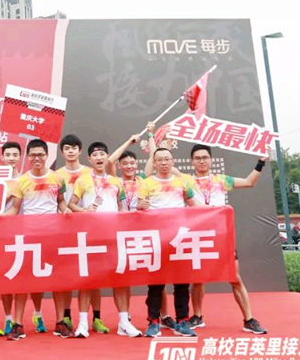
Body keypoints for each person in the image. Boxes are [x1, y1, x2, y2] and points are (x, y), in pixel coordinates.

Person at [186, 144, 268, 335]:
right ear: (192, 161)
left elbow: (249, 182)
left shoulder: (221, 180)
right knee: (197, 279)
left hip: (221, 236)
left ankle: (249, 319)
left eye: (205, 157)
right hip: (197, 235)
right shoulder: (186, 181)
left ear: (211, 160)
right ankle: (197, 316)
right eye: (197, 158)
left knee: (235, 278)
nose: (201, 161)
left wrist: (261, 163)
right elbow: (163, 164)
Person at [68, 142, 142, 338]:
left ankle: (124, 323)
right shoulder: (82, 180)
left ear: (107, 158)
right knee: (88, 280)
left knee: (120, 279)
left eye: (102, 154)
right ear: (89, 159)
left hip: (114, 237)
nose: (99, 158)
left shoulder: (116, 182)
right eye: (95, 155)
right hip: (91, 237)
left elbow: (121, 207)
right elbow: (71, 204)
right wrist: (84, 211)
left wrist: (134, 217)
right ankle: (83, 323)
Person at [0, 139, 69, 341]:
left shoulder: (58, 178)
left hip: (53, 235)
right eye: (33, 155)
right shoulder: (21, 181)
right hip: (28, 236)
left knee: (57, 280)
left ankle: (60, 322)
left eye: (40, 155)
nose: (37, 158)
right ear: (28, 157)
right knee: (23, 280)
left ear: (47, 156)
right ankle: (18, 324)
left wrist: (65, 211)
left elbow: (61, 202)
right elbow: (14, 209)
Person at [138, 147, 203, 338]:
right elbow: (140, 208)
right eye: (160, 160)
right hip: (157, 240)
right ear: (154, 163)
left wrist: (218, 210)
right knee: (156, 284)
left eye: (167, 159)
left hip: (179, 238)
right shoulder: (147, 183)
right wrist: (140, 207)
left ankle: (182, 321)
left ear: (173, 162)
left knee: (182, 283)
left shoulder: (182, 183)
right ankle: (153, 322)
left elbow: (195, 206)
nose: (164, 163)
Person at [53, 134, 107, 335]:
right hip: (64, 229)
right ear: (62, 152)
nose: (71, 151)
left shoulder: (90, 173)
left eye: (74, 148)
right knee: (66, 275)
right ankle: (65, 317)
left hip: (90, 229)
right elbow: (59, 201)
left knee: (93, 276)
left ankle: (96, 318)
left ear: (80, 151)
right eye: (67, 148)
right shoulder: (57, 175)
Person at [0, 141, 23, 335]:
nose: (11, 158)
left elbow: (17, 208)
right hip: (0, 234)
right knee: (6, 277)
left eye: (15, 155)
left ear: (20, 157)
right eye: (8, 155)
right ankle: (7, 318)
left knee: (21, 278)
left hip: (21, 233)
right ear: (2, 157)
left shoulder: (24, 180)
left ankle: (19, 320)